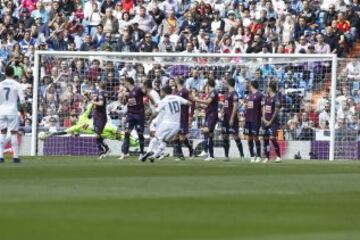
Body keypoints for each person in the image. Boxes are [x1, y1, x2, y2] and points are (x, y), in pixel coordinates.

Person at [141, 85, 189, 162]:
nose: (160, 93)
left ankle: (149, 151)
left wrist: (149, 120)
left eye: (161, 91)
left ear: (164, 92)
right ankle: (155, 155)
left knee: (156, 136)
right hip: (176, 125)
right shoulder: (177, 98)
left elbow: (156, 112)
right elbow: (188, 103)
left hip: (167, 123)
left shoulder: (164, 100)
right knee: (164, 141)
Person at [0, 66, 25, 163]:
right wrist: (23, 110)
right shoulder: (17, 84)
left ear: (5, 73)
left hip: (1, 111)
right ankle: (16, 157)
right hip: (12, 111)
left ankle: (1, 157)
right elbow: (22, 101)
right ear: (13, 73)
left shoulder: (0, 84)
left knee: (2, 133)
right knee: (14, 133)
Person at [120, 77, 146, 160]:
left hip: (139, 114)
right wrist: (123, 96)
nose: (124, 84)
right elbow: (124, 103)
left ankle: (142, 153)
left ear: (128, 82)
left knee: (140, 133)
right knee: (127, 132)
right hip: (130, 114)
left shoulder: (138, 89)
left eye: (124, 82)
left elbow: (146, 93)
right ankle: (124, 153)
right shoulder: (127, 92)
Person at [193, 78, 219, 161]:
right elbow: (207, 105)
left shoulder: (214, 92)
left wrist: (197, 99)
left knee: (205, 130)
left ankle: (205, 150)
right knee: (210, 135)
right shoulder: (211, 93)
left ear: (208, 85)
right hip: (209, 114)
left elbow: (208, 102)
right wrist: (199, 105)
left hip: (212, 115)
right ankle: (211, 156)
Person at [222, 78, 244, 161]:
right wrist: (222, 112)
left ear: (228, 83)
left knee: (235, 136)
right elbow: (225, 104)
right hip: (225, 118)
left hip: (232, 118)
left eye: (226, 83)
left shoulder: (234, 94)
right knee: (225, 136)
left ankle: (242, 155)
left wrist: (231, 118)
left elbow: (235, 106)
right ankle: (226, 156)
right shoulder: (227, 93)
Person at [261, 82, 281, 163]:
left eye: (268, 87)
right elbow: (264, 109)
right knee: (265, 139)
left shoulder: (276, 98)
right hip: (265, 122)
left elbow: (276, 111)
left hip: (273, 122)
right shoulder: (266, 98)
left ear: (270, 88)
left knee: (272, 138)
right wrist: (264, 119)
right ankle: (267, 157)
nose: (267, 88)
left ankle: (279, 156)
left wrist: (270, 121)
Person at [174, 77, 193, 161]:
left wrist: (190, 115)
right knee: (175, 136)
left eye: (175, 80)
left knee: (182, 137)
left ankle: (190, 148)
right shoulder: (175, 92)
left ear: (178, 81)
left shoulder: (185, 91)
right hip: (175, 117)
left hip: (183, 116)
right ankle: (180, 155)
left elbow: (192, 102)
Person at [245, 80, 263, 163]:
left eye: (249, 85)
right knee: (249, 137)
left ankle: (259, 156)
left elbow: (262, 107)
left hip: (255, 119)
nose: (248, 86)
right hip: (248, 119)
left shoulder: (260, 95)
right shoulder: (250, 95)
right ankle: (252, 156)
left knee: (255, 136)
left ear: (252, 85)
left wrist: (263, 117)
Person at [91, 82, 110, 158]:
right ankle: (104, 150)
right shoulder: (100, 94)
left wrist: (93, 101)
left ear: (99, 86)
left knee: (97, 135)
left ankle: (102, 150)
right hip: (97, 116)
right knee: (96, 135)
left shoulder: (101, 94)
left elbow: (101, 103)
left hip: (100, 117)